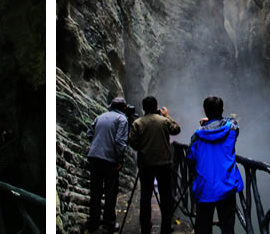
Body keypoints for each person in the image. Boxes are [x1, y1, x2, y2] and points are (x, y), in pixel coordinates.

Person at [186, 96, 244, 234]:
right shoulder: (231, 130)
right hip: (227, 185)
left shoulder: (197, 136)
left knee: (203, 227)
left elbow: (190, 158)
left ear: (205, 111)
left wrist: (204, 125)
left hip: (205, 187)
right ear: (222, 110)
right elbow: (234, 122)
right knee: (228, 227)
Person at [129, 96, 181, 234]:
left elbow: (132, 142)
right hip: (163, 163)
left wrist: (143, 148)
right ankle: (166, 226)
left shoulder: (137, 123)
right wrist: (167, 116)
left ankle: (145, 226)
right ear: (157, 107)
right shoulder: (164, 121)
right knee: (165, 195)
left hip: (145, 164)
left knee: (145, 196)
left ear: (143, 108)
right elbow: (176, 129)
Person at [85, 97, 129, 233]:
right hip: (109, 159)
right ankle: (109, 223)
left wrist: (99, 143)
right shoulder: (122, 119)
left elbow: (89, 134)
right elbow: (120, 141)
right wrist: (120, 160)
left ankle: (93, 221)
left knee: (95, 190)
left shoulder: (100, 116)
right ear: (123, 108)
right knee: (110, 191)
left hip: (94, 156)